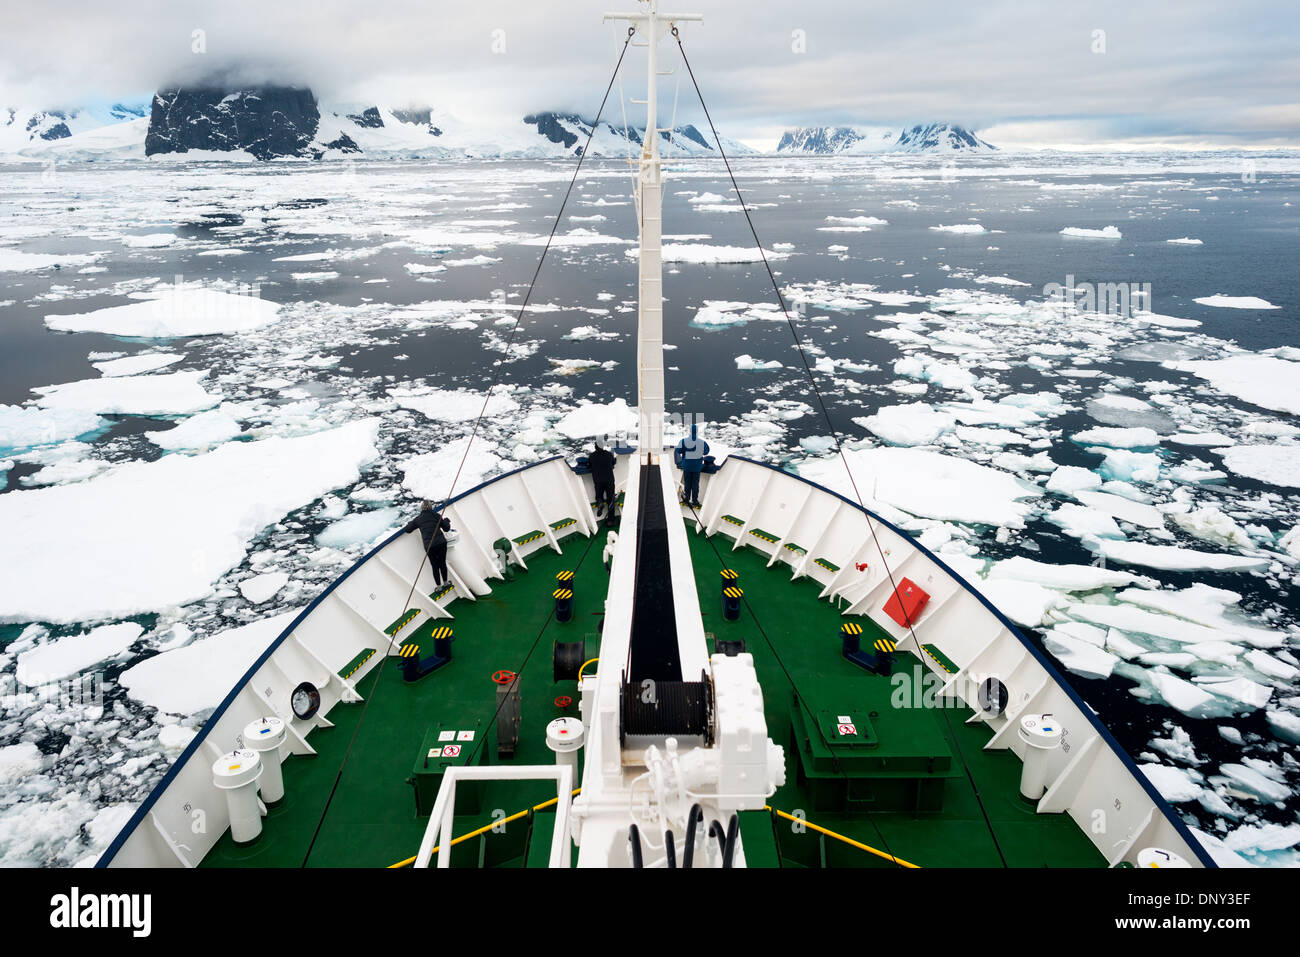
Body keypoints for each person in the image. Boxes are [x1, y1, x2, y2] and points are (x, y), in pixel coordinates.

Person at [403, 501, 451, 588]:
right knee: (442, 563)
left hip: (430, 546)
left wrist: (410, 523)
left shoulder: (418, 519)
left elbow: (408, 530)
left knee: (435, 566)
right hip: (441, 543)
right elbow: (446, 528)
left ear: (422, 508)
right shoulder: (436, 515)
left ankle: (439, 587)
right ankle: (446, 583)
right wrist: (446, 521)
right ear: (431, 507)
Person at [673, 422, 709, 509]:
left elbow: (678, 451)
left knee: (687, 483)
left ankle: (686, 499)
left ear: (690, 431)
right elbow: (706, 452)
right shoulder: (702, 442)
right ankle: (695, 501)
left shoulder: (683, 441)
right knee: (695, 484)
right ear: (696, 432)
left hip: (687, 465)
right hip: (697, 466)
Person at [588, 440, 617, 526]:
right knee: (611, 499)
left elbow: (589, 465)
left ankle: (600, 503)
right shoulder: (608, 454)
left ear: (595, 447)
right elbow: (613, 463)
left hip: (598, 480)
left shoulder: (592, 456)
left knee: (598, 496)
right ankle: (610, 521)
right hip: (609, 480)